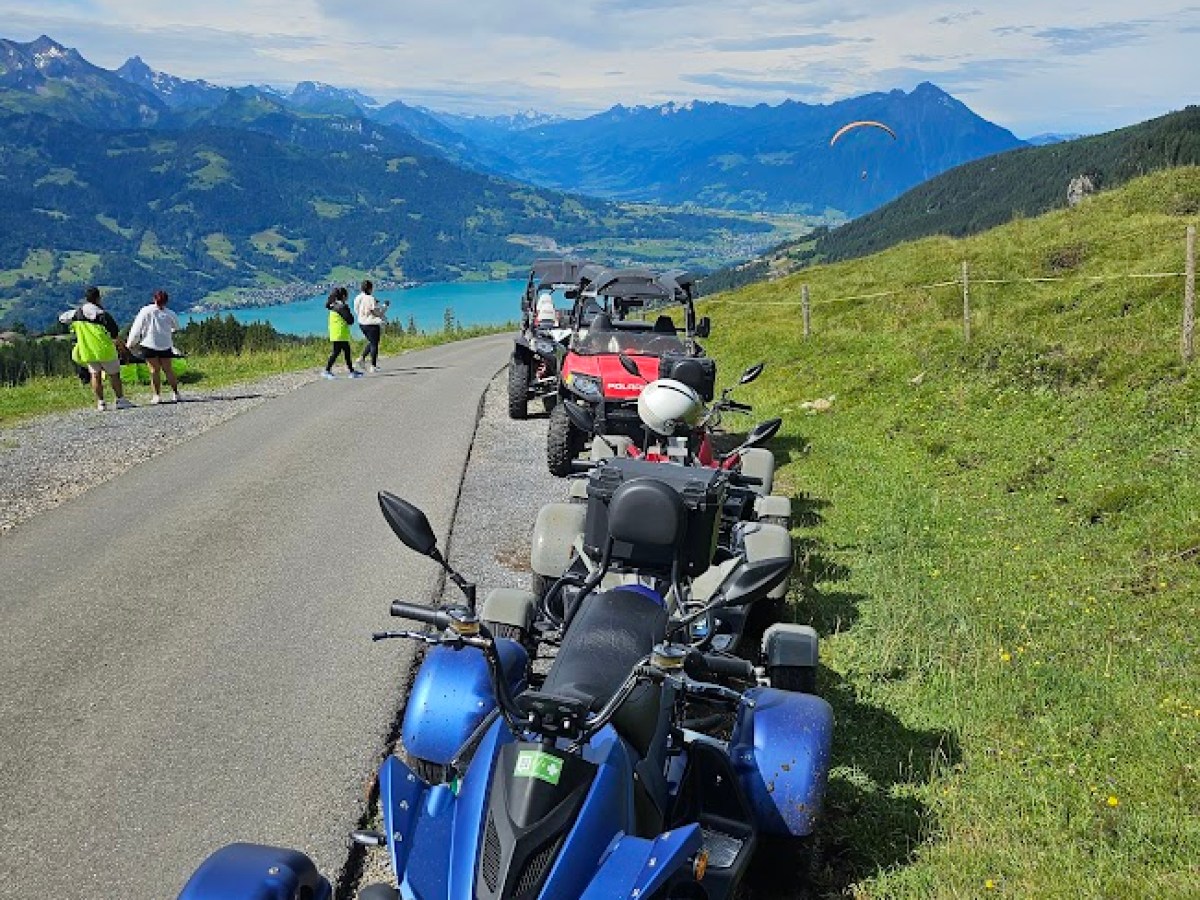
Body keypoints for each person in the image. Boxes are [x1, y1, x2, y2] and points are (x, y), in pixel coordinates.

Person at [59, 286, 134, 411]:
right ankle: (120, 400)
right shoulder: (103, 315)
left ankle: (101, 403)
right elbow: (114, 333)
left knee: (95, 375)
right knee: (114, 375)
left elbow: (62, 318)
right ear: (98, 298)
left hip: (87, 350)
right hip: (105, 350)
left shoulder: (77, 314)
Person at [127, 289, 182, 404]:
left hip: (149, 344)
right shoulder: (170, 314)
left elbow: (136, 329)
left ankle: (157, 396)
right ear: (166, 301)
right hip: (165, 344)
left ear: (154, 299)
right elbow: (177, 327)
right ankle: (176, 393)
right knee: (168, 370)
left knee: (154, 370)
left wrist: (130, 344)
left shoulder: (146, 311)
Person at [323, 286, 363, 379]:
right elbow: (350, 320)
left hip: (335, 332)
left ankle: (351, 371)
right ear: (344, 296)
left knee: (345, 351)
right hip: (340, 332)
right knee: (337, 352)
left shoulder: (333, 305)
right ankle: (327, 370)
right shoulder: (341, 306)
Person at [353, 279, 389, 372]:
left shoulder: (358, 298)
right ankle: (373, 366)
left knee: (371, 342)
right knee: (374, 344)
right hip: (371, 323)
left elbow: (356, 310)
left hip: (362, 323)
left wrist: (362, 317)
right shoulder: (370, 298)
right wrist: (385, 306)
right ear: (370, 288)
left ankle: (361, 358)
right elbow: (376, 312)